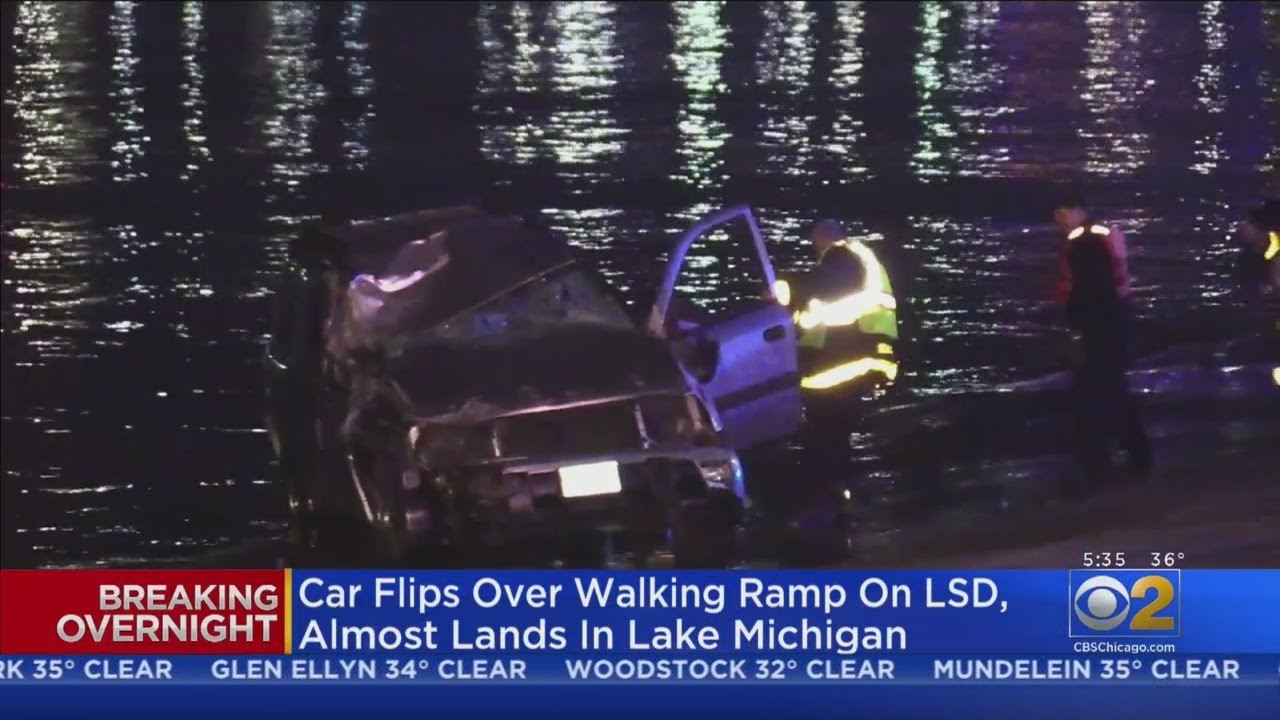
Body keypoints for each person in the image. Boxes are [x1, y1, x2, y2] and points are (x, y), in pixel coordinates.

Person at [1051, 193, 1153, 494]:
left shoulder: (1084, 243)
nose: (1057, 219)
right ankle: (1127, 460)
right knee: (1109, 395)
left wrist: (1080, 332)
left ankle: (1104, 464)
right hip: (1113, 330)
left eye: (1061, 211)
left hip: (1101, 333)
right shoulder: (1100, 237)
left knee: (1096, 397)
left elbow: (1092, 293)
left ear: (1077, 211)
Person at [774, 219, 899, 398]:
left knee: (807, 384)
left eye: (815, 241)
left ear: (821, 239)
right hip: (874, 352)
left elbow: (819, 285)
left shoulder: (842, 257)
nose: (814, 247)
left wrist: (786, 285)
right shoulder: (860, 256)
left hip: (864, 350)